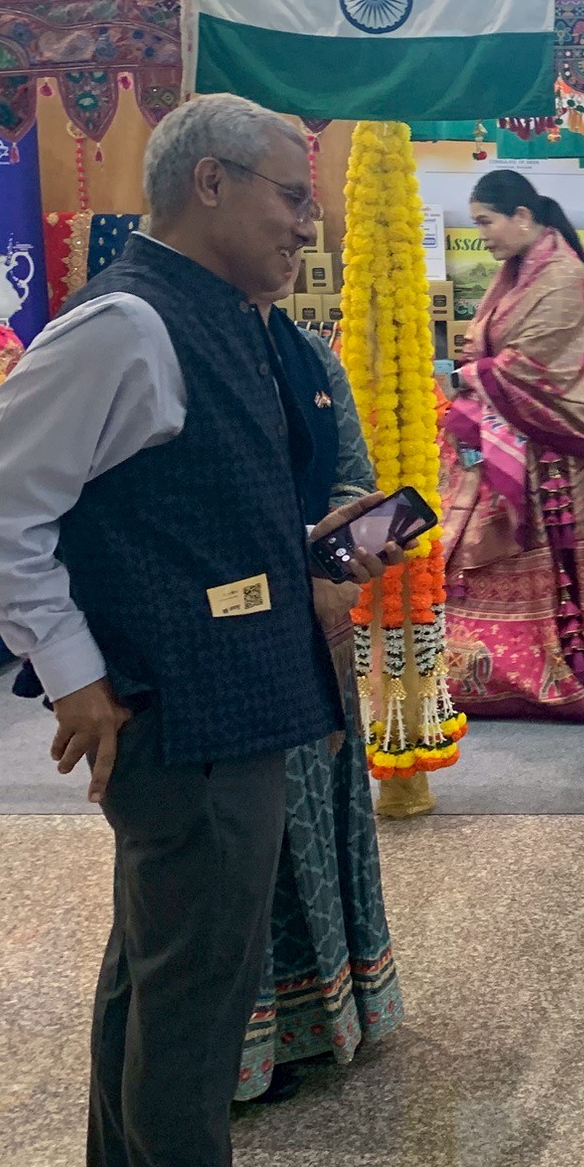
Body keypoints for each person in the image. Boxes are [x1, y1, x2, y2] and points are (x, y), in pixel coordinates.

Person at [0, 92, 387, 1167]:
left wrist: (306, 543)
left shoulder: (212, 318)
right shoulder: (127, 325)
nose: (307, 221)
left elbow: (180, 503)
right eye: (291, 196)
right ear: (211, 183)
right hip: (185, 716)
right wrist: (73, 672)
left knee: (155, 972)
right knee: (192, 996)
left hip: (214, 700)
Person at [236, 324, 403, 1107]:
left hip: (314, 625)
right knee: (246, 842)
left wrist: (334, 546)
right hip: (221, 649)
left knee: (317, 809)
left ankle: (321, 1018)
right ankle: (239, 1047)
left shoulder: (306, 354)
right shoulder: (151, 334)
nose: (292, 263)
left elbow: (351, 478)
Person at [441, 169, 584, 725]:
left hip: (562, 442)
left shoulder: (562, 274)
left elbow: (538, 365)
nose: (482, 235)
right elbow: (491, 347)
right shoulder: (515, 272)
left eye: (486, 222)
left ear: (522, 217)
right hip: (513, 433)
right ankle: (500, 670)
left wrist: (469, 378)